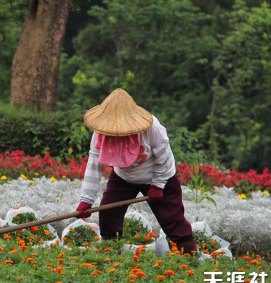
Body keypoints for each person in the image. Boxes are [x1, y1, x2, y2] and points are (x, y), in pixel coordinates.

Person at [76, 88, 197, 255]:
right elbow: (94, 164)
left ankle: (191, 256)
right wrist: (86, 200)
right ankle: (111, 254)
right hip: (123, 177)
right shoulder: (101, 132)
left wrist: (158, 185)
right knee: (108, 212)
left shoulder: (151, 127)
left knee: (172, 219)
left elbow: (165, 159)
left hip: (158, 176)